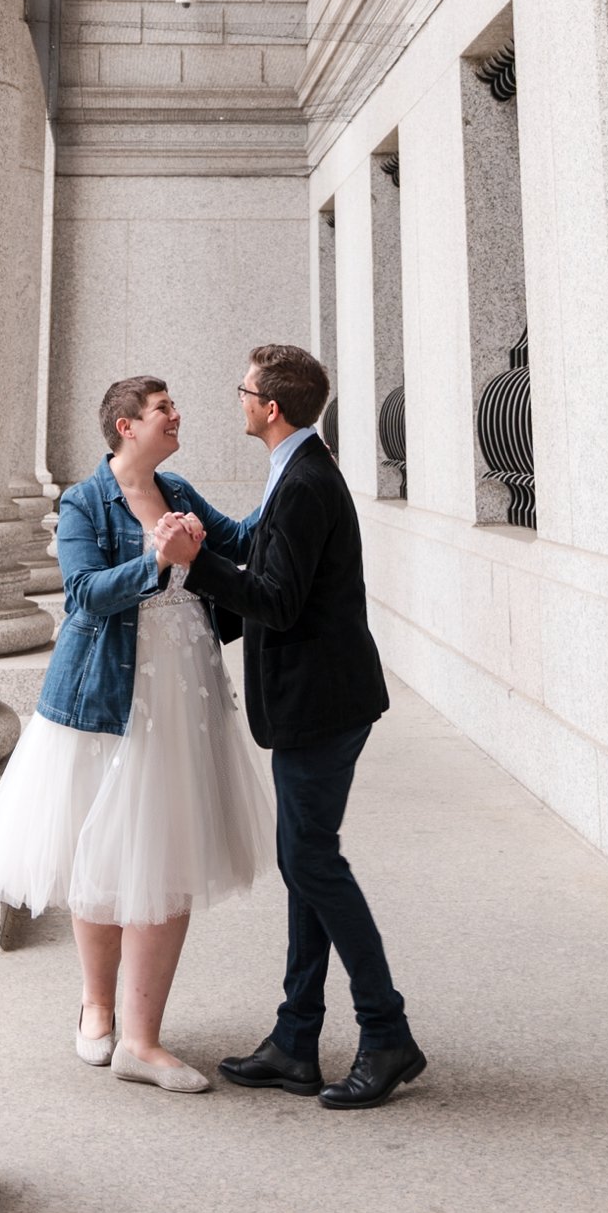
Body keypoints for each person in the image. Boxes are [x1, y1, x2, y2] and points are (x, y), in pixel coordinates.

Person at [0, 374, 273, 1094]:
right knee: (101, 860)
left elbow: (245, 541)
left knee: (166, 855)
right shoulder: (83, 501)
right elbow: (83, 596)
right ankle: (96, 1008)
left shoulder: (182, 492)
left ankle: (143, 1041)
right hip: (105, 697)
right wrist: (157, 561)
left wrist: (290, 465)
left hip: (184, 701)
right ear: (127, 426)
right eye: (164, 408)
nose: (177, 415)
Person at [169, 343, 426, 1109]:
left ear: (269, 407)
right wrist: (190, 524)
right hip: (318, 701)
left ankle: (388, 1035)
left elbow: (275, 598)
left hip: (323, 704)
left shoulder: (308, 481)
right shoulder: (295, 471)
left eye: (243, 389)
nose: (238, 399)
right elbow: (255, 543)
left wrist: (193, 563)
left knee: (313, 863)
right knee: (304, 861)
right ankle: (295, 1039)